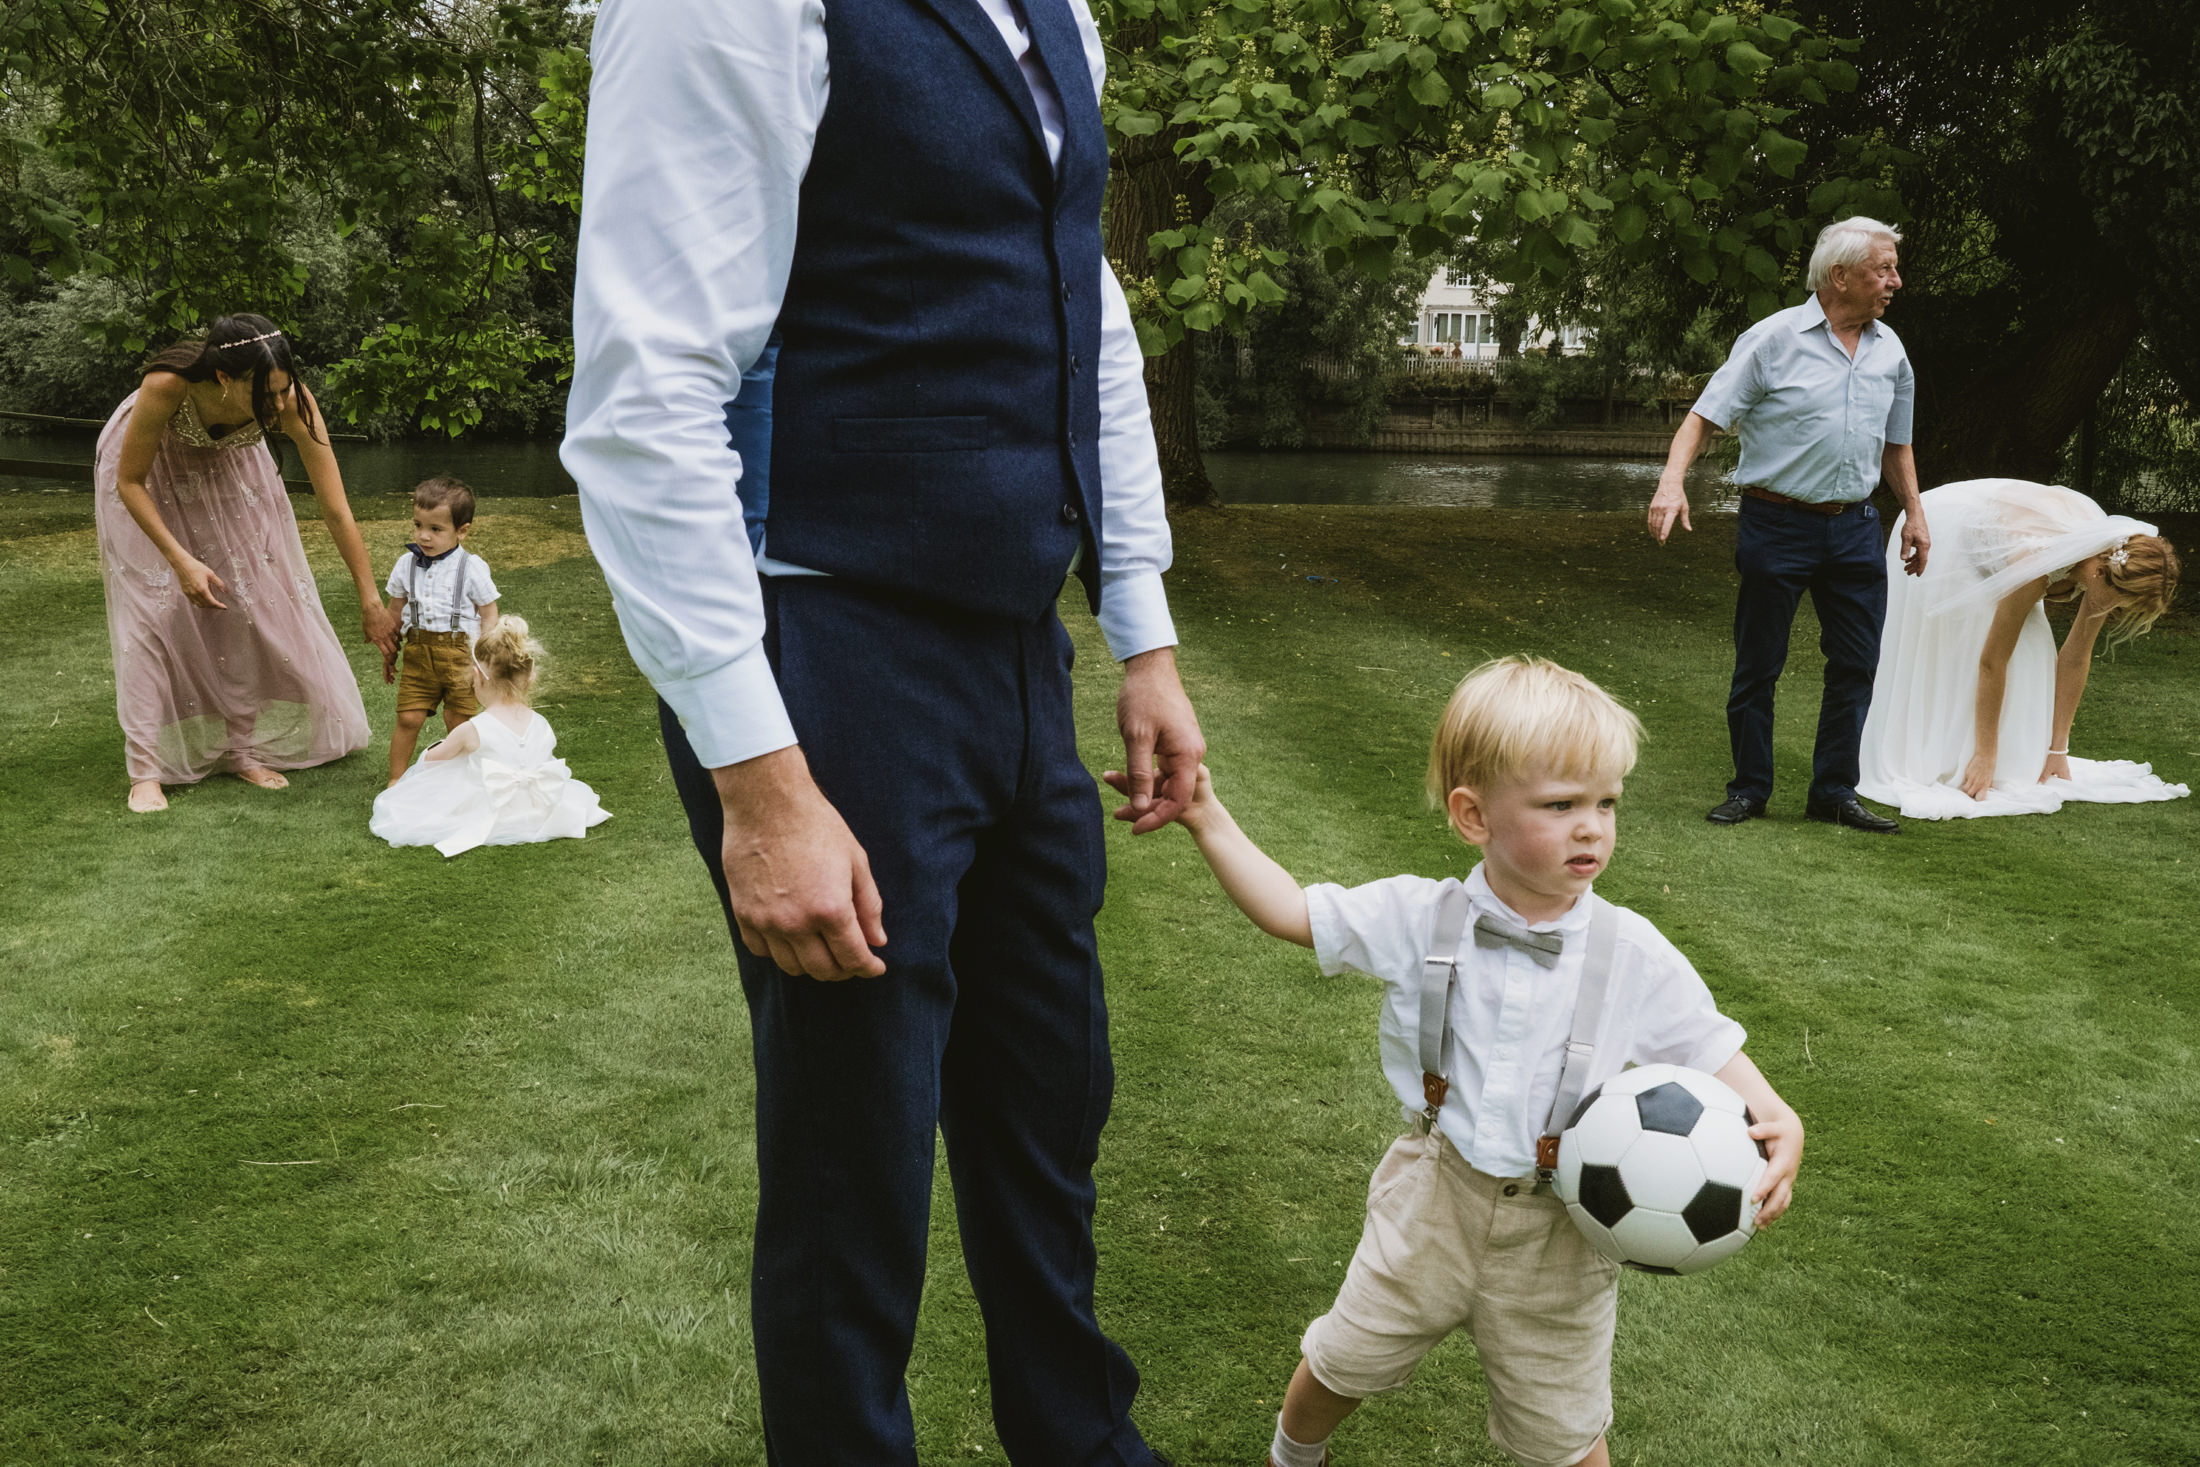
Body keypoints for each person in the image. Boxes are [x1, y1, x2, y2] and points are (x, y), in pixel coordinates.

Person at [560, 0, 1204, 1460]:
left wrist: (1139, 619)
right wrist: (763, 780)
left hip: (1013, 642)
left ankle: (1081, 1441)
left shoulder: (1059, 15)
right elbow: (645, 390)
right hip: (824, 641)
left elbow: (1077, 304)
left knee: (1049, 1106)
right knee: (855, 1164)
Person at [1112, 657, 1802, 1467]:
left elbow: (1709, 1045)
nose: (1592, 826)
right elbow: (1295, 912)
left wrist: (1778, 1114)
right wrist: (1209, 819)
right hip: (1432, 1198)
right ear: (1474, 816)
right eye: (1561, 804)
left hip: (1563, 1236)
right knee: (1343, 1358)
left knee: (1567, 1430)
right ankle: (1292, 1455)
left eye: (1606, 802)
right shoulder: (1421, 914)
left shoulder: (1634, 951)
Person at [1648, 216, 1930, 834]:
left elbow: (1897, 442)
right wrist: (1672, 483)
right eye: (1882, 269)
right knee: (1760, 663)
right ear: (1840, 276)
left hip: (1856, 526)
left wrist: (1914, 511)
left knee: (1857, 663)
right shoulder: (1773, 339)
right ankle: (1750, 788)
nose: (1895, 281)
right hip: (1777, 524)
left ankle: (1833, 791)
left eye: (1892, 268)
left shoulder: (1891, 351)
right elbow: (1703, 417)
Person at [95, 313, 396, 813]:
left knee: (240, 606)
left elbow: (336, 507)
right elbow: (130, 482)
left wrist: (370, 599)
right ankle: (145, 771)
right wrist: (180, 561)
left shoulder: (292, 402)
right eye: (267, 392)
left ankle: (241, 750)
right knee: (153, 613)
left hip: (230, 472)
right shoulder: (167, 386)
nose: (279, 405)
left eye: (284, 389)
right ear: (223, 378)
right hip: (147, 478)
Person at [1858, 479, 2185, 818]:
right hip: (1947, 536)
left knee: (2032, 652)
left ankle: (2010, 756)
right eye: (2120, 606)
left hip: (2009, 542)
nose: (2116, 615)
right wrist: (1985, 754)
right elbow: (1992, 661)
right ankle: (1946, 753)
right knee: (1969, 646)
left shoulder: (2105, 564)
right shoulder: (2038, 562)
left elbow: (2076, 655)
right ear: (2102, 574)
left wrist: (2058, 750)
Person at [369, 615, 609, 858]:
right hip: (537, 806)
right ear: (530, 678)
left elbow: (432, 762)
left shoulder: (473, 729)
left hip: (492, 807)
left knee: (446, 769)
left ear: (476, 676)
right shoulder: (541, 723)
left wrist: (434, 754)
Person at [383, 475, 502, 785]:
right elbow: (394, 612)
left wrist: (483, 656)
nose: (423, 536)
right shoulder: (405, 564)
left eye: (435, 529)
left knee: (458, 720)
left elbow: (489, 611)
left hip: (462, 656)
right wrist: (389, 650)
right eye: (418, 525)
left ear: (462, 531)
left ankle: (464, 780)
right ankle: (395, 781)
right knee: (408, 717)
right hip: (418, 654)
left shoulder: (471, 567)